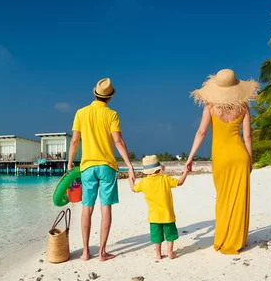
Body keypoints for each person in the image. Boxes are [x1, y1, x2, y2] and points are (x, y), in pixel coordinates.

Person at [185, 69, 258, 254]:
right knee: (239, 199)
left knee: (223, 199)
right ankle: (237, 240)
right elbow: (247, 136)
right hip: (240, 155)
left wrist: (190, 157)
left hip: (221, 158)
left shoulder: (210, 107)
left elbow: (201, 133)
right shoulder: (243, 107)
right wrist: (250, 159)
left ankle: (223, 239)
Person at [67, 78, 136, 262]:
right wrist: (129, 165)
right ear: (109, 98)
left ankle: (85, 252)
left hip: (87, 167)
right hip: (107, 167)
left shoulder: (81, 113)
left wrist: (69, 163)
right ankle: (103, 252)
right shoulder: (112, 115)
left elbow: (74, 141)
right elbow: (119, 142)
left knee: (86, 209)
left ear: (94, 94)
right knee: (106, 208)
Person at [129, 155, 188, 260]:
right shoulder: (165, 179)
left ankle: (158, 254)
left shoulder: (143, 182)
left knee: (157, 237)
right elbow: (179, 182)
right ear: (158, 169)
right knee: (170, 235)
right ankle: (170, 253)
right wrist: (185, 172)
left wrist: (130, 179)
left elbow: (134, 189)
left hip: (154, 217)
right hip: (167, 215)